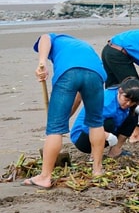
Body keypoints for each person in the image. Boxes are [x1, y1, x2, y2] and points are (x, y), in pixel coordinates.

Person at [23, 33, 107, 188]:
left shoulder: (55, 38)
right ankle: (97, 169)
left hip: (68, 73)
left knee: (54, 129)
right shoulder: (82, 45)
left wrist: (42, 63)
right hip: (95, 74)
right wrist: (64, 116)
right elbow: (79, 96)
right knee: (96, 122)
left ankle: (45, 176)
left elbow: (44, 38)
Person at [70, 77, 139, 160]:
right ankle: (95, 156)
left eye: (133, 102)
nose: (128, 103)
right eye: (126, 99)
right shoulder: (106, 104)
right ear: (120, 91)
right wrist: (107, 135)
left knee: (134, 114)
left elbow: (130, 105)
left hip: (108, 133)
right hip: (83, 137)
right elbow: (87, 126)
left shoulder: (121, 96)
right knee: (109, 123)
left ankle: (115, 151)